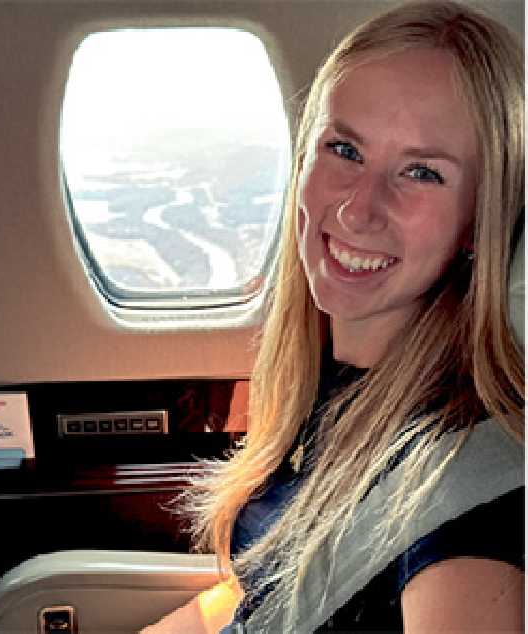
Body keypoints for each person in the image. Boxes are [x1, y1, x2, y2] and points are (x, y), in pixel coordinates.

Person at [147, 2, 523, 632]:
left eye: (422, 172)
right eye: (344, 149)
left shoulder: (468, 500)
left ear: (479, 223)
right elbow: (262, 596)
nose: (357, 210)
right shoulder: (333, 382)